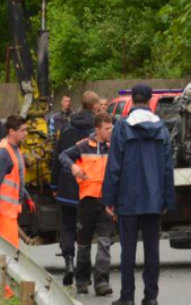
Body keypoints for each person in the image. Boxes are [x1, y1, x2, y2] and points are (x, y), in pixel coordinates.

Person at [102, 84, 175, 305]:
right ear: (150, 101)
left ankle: (127, 297)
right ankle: (151, 297)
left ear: (132, 100)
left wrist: (109, 199)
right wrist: (166, 200)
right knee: (152, 249)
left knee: (128, 251)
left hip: (128, 199)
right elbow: (167, 168)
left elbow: (114, 166)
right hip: (153, 199)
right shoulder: (161, 128)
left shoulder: (122, 128)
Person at [0, 115, 36, 297]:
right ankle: (2, 292)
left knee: (1, 251)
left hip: (8, 211)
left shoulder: (13, 149)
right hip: (2, 211)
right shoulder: (4, 152)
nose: (26, 134)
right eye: (22, 131)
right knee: (7, 252)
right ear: (11, 132)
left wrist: (26, 197)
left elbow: (15, 180)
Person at [59, 113, 114, 297]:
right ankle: (82, 281)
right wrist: (74, 167)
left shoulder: (113, 147)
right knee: (83, 245)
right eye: (107, 128)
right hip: (87, 201)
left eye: (111, 127)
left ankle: (102, 283)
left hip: (106, 201)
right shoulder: (83, 145)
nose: (110, 131)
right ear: (97, 130)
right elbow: (63, 156)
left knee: (105, 243)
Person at [51, 91, 100, 286]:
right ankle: (83, 271)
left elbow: (58, 157)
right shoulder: (96, 131)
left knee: (68, 226)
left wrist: (54, 185)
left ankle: (69, 262)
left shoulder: (67, 127)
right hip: (88, 185)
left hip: (67, 184)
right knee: (86, 229)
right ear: (95, 107)